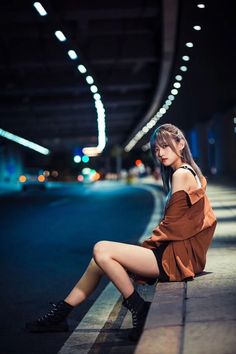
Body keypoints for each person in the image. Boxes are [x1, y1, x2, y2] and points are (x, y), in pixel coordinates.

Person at [25, 123, 217, 341]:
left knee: (102, 248)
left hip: (174, 258)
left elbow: (171, 226)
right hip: (178, 253)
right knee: (98, 261)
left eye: (165, 146)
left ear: (181, 144)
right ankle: (61, 314)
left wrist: (144, 249)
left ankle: (139, 308)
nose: (160, 153)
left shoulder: (180, 175)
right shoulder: (187, 172)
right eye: (156, 149)